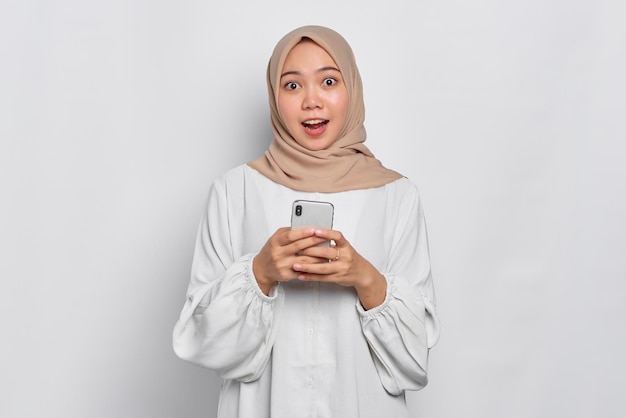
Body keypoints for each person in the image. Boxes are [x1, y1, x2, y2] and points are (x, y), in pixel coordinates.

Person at [173, 25, 440, 418]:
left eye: (329, 81)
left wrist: (365, 277)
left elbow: (413, 359)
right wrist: (260, 273)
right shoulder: (234, 191)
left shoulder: (396, 195)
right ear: (274, 96)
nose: (311, 101)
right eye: (292, 86)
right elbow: (200, 341)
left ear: (352, 88)